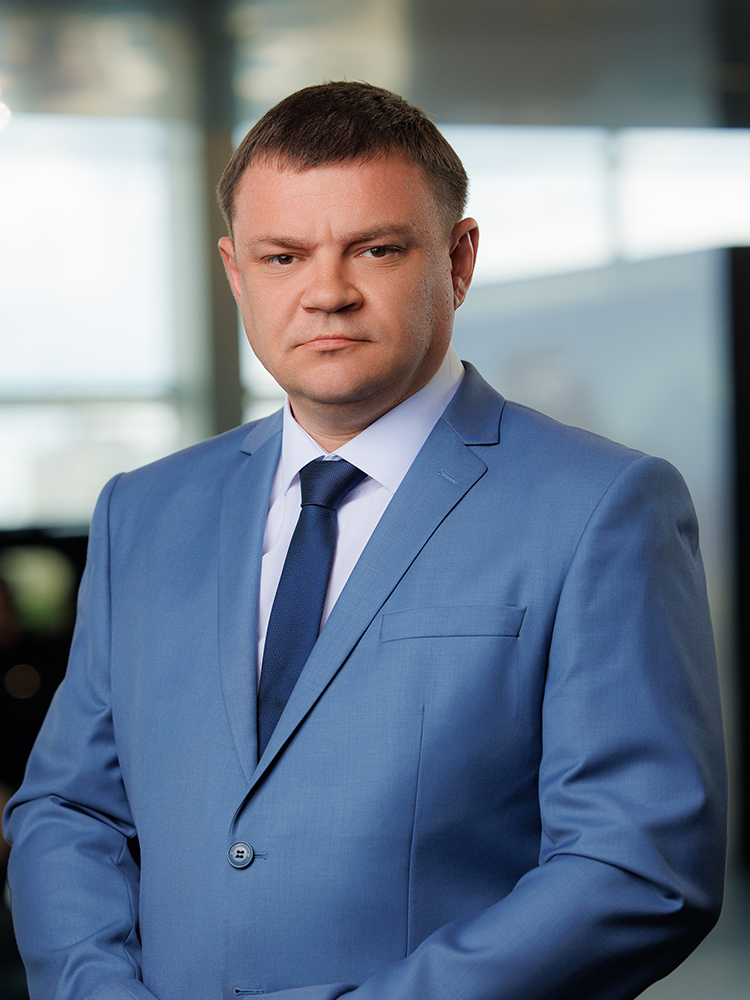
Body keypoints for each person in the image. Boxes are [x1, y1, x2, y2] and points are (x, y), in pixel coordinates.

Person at [4, 81, 726, 1000]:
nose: (326, 294)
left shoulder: (602, 506)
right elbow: (70, 808)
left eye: (375, 249)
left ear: (458, 261)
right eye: (283, 257)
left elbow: (636, 864)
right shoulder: (144, 511)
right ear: (236, 273)